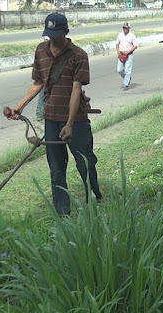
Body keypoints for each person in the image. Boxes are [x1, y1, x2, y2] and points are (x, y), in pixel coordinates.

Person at [11, 12, 102, 216]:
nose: (53, 40)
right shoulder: (41, 51)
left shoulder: (79, 55)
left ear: (66, 32)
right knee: (56, 168)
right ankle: (63, 212)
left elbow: (76, 90)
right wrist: (20, 105)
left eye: (57, 35)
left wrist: (69, 124)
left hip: (76, 120)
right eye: (50, 35)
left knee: (85, 162)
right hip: (51, 118)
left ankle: (94, 198)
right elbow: (38, 83)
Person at [115, 22, 139, 91]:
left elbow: (135, 45)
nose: (125, 29)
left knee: (127, 70)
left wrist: (128, 52)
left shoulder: (132, 36)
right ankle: (127, 78)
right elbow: (117, 44)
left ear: (129, 28)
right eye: (124, 28)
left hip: (129, 55)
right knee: (119, 70)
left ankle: (126, 84)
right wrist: (118, 52)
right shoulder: (120, 35)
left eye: (126, 28)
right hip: (121, 54)